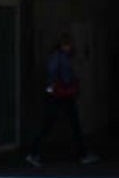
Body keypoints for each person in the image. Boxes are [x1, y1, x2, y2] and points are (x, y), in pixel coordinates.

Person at [25, 34, 99, 167]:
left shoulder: (57, 57)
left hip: (58, 94)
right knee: (65, 124)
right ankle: (35, 153)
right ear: (64, 45)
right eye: (68, 44)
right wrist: (68, 84)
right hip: (61, 94)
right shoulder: (60, 58)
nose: (70, 47)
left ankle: (35, 153)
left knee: (54, 124)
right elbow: (59, 75)